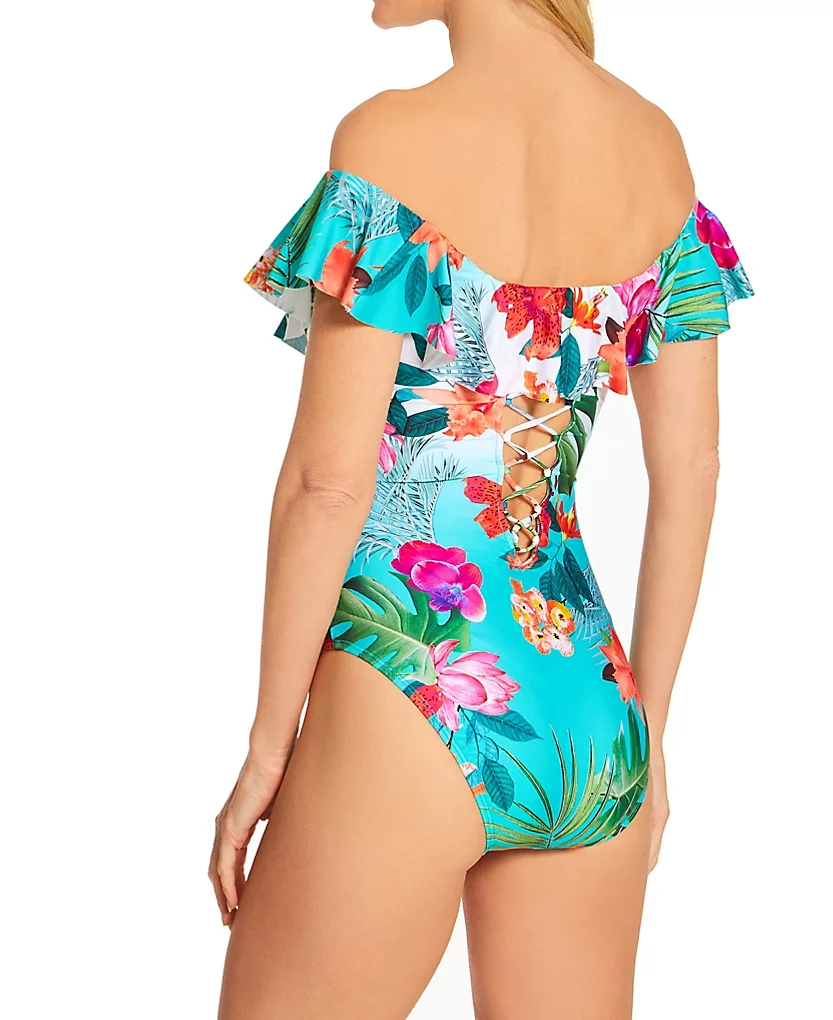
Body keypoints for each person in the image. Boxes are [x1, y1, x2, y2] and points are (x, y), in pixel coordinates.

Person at [210, 1, 753, 1016]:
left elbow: (328, 486)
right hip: (590, 705)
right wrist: (649, 741)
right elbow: (693, 473)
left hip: (410, 681)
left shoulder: (390, 137)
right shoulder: (654, 148)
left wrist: (265, 752)